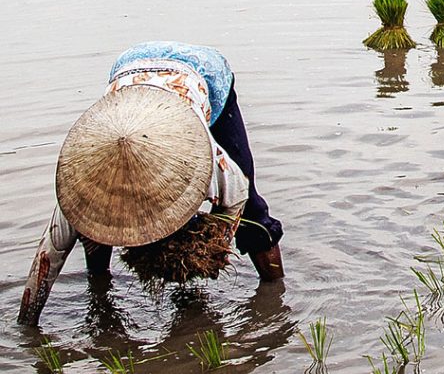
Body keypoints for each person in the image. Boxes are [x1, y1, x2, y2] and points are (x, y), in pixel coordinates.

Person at [17, 42, 283, 326]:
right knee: (93, 231)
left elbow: (238, 197)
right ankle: (99, 290)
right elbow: (47, 260)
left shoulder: (204, 159)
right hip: (129, 73)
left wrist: (209, 248)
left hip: (204, 71)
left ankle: (276, 300)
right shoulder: (80, 188)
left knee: (254, 215)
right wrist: (27, 324)